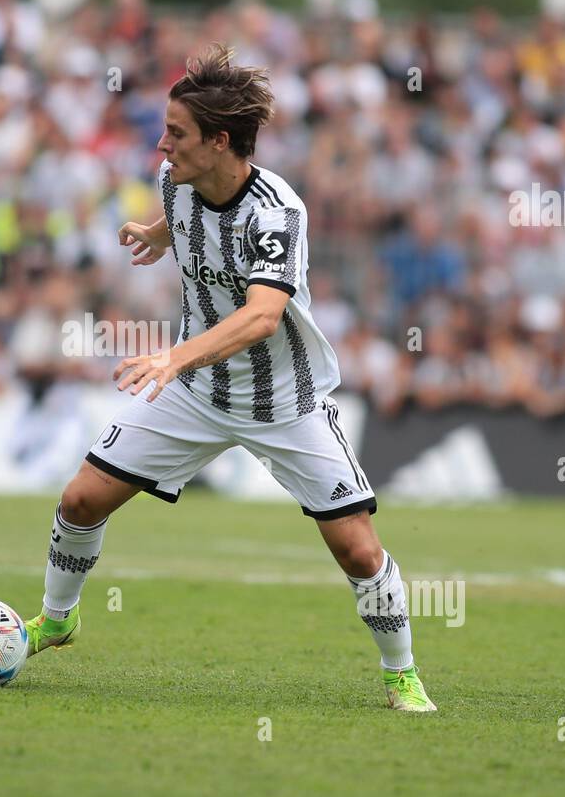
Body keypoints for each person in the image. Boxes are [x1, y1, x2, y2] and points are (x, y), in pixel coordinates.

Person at [22, 44, 436, 712]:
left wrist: (173, 356)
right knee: (79, 501)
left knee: (359, 552)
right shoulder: (176, 184)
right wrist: (157, 236)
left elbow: (263, 316)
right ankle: (59, 618)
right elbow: (186, 222)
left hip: (283, 401)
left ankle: (401, 674)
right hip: (196, 394)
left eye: (176, 135)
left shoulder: (277, 212)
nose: (162, 146)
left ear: (219, 141)